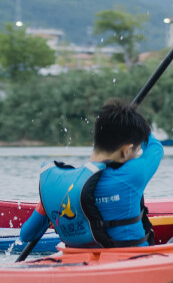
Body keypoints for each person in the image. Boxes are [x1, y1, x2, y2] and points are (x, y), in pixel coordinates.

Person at [19, 100, 163, 248]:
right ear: (126, 150)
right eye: (135, 151)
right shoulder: (131, 175)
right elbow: (155, 147)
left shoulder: (60, 185)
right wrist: (138, 126)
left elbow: (27, 235)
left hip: (77, 263)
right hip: (132, 261)